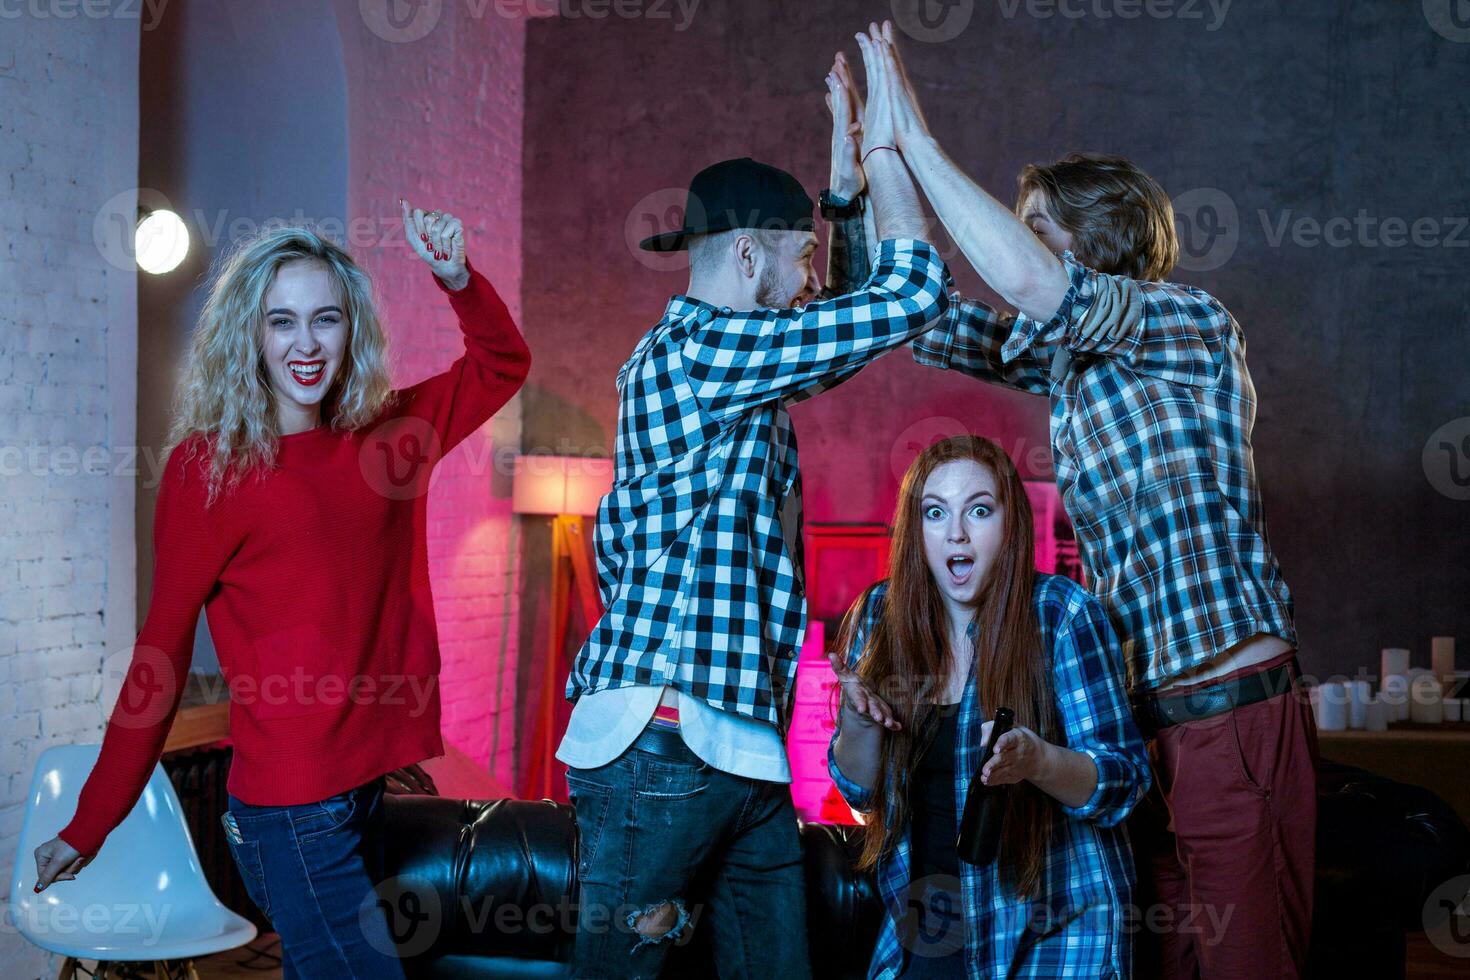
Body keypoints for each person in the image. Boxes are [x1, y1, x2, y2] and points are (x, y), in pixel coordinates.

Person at [830, 23, 1316, 979]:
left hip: (1227, 717)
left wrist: (922, 141)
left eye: (1041, 224)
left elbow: (1028, 280)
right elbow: (901, 309)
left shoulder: (1189, 326)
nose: (1020, 241)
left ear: (1099, 239)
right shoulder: (1064, 365)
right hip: (1147, 737)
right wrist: (871, 161)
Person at [32, 203, 531, 979]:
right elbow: (158, 656)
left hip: (362, 795)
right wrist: (91, 822)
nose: (306, 345)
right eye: (282, 322)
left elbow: (502, 366)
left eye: (325, 320)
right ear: (250, 335)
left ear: (350, 331)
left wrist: (457, 278)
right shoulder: (211, 470)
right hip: (290, 816)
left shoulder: (388, 439)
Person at [553, 26, 950, 978]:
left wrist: (842, 189)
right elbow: (909, 295)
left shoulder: (739, 369)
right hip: (666, 745)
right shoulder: (702, 351)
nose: (810, 282)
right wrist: (895, 148)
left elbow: (846, 330)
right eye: (799, 260)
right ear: (744, 259)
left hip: (738, 748)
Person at [827, 434, 1150, 979]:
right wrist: (858, 725)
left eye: (979, 510)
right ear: (916, 530)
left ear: (1011, 524)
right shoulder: (879, 617)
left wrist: (1039, 762)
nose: (956, 532)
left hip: (1055, 935)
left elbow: (1123, 783)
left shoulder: (1062, 615)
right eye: (935, 513)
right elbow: (859, 790)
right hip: (924, 936)